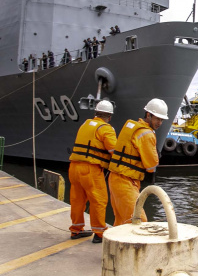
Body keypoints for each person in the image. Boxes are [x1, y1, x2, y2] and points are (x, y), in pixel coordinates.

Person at [107, 98, 168, 226]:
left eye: (162, 120)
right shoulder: (147, 134)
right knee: (138, 221)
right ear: (148, 115)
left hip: (116, 177)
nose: (159, 123)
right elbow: (151, 166)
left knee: (121, 221)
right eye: (157, 119)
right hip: (125, 180)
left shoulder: (132, 126)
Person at [68, 100, 117, 243]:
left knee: (77, 200)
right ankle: (99, 233)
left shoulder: (85, 124)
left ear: (96, 113)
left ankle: (76, 230)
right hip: (90, 169)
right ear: (109, 116)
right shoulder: (106, 129)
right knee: (99, 200)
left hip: (74, 167)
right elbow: (114, 150)